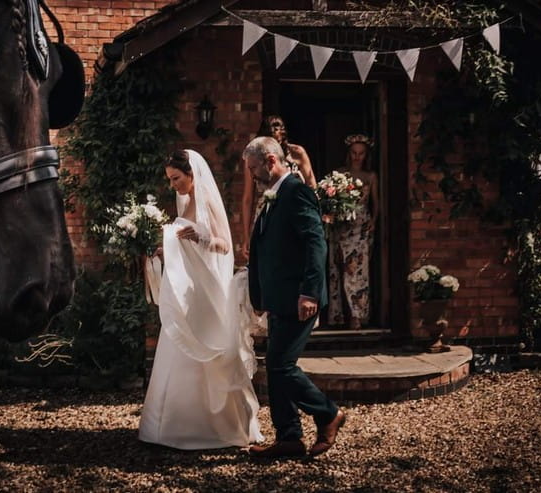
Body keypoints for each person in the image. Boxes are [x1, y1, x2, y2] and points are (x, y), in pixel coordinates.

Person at [138, 149, 263, 449]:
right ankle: (168, 426)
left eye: (177, 178)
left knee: (206, 348)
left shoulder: (206, 200)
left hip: (206, 291)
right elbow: (183, 247)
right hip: (188, 290)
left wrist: (201, 238)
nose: (173, 185)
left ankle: (216, 427)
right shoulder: (184, 201)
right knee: (177, 345)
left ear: (192, 174)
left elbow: (224, 245)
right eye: (169, 180)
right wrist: (164, 251)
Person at [244, 136, 346, 459]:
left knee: (281, 364)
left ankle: (328, 413)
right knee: (275, 366)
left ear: (271, 161)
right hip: (278, 298)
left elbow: (316, 244)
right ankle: (289, 437)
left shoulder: (297, 192)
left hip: (299, 297)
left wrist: (309, 291)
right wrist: (259, 295)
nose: (252, 175)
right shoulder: (273, 196)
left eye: (254, 168)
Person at [241, 115, 316, 259]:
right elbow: (248, 198)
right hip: (267, 205)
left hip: (294, 206)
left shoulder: (297, 153)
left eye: (278, 139)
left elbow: (311, 185)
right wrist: (246, 236)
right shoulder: (254, 158)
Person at [328, 134, 379, 330]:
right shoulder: (340, 173)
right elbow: (331, 201)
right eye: (354, 153)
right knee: (337, 269)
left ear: (366, 155)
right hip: (341, 226)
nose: (358, 157)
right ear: (349, 154)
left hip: (361, 226)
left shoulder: (371, 176)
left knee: (357, 271)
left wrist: (373, 221)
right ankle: (338, 315)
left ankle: (357, 316)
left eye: (361, 153)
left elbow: (376, 203)